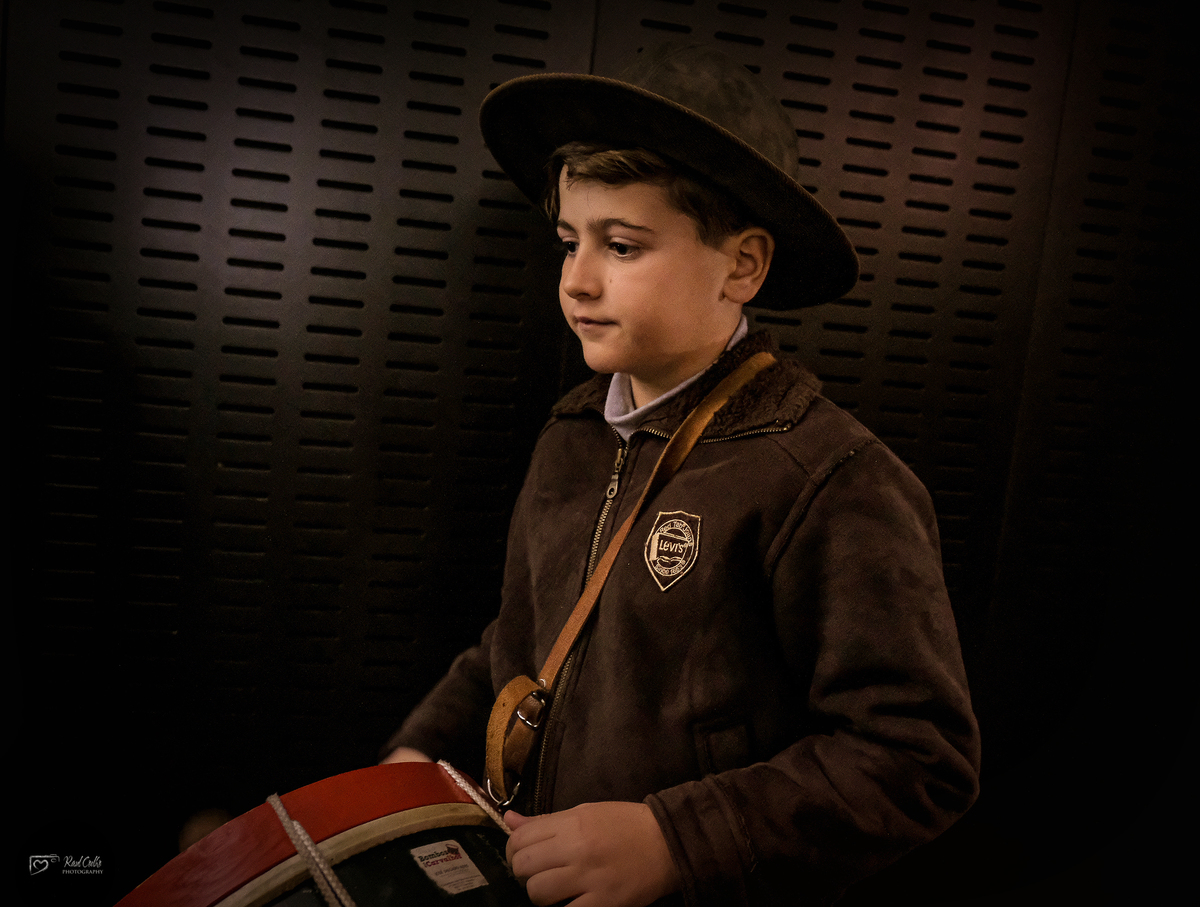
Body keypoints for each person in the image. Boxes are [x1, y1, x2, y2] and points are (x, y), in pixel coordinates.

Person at [381, 42, 980, 907]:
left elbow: (916, 757)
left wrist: (677, 840)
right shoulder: (570, 438)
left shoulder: (829, 477)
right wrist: (421, 755)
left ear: (743, 265)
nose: (577, 282)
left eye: (622, 246)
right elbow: (518, 643)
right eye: (569, 242)